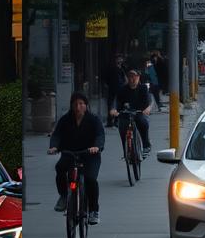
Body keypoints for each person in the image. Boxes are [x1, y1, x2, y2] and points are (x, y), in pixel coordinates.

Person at [48, 90, 104, 224]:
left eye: (81, 104)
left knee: (90, 179)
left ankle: (94, 210)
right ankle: (63, 195)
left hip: (89, 155)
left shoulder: (93, 120)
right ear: (71, 106)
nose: (78, 107)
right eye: (75, 104)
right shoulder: (65, 119)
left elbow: (100, 135)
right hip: (70, 153)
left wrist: (96, 147)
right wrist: (54, 146)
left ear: (86, 105)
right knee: (60, 168)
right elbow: (57, 135)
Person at [111, 65, 154, 156]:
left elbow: (149, 100)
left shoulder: (143, 88)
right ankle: (125, 150)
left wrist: (148, 108)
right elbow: (116, 100)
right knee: (122, 127)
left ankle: (146, 145)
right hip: (126, 114)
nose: (132, 79)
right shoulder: (123, 89)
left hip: (139, 113)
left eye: (134, 76)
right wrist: (114, 109)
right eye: (130, 76)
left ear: (138, 77)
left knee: (143, 123)